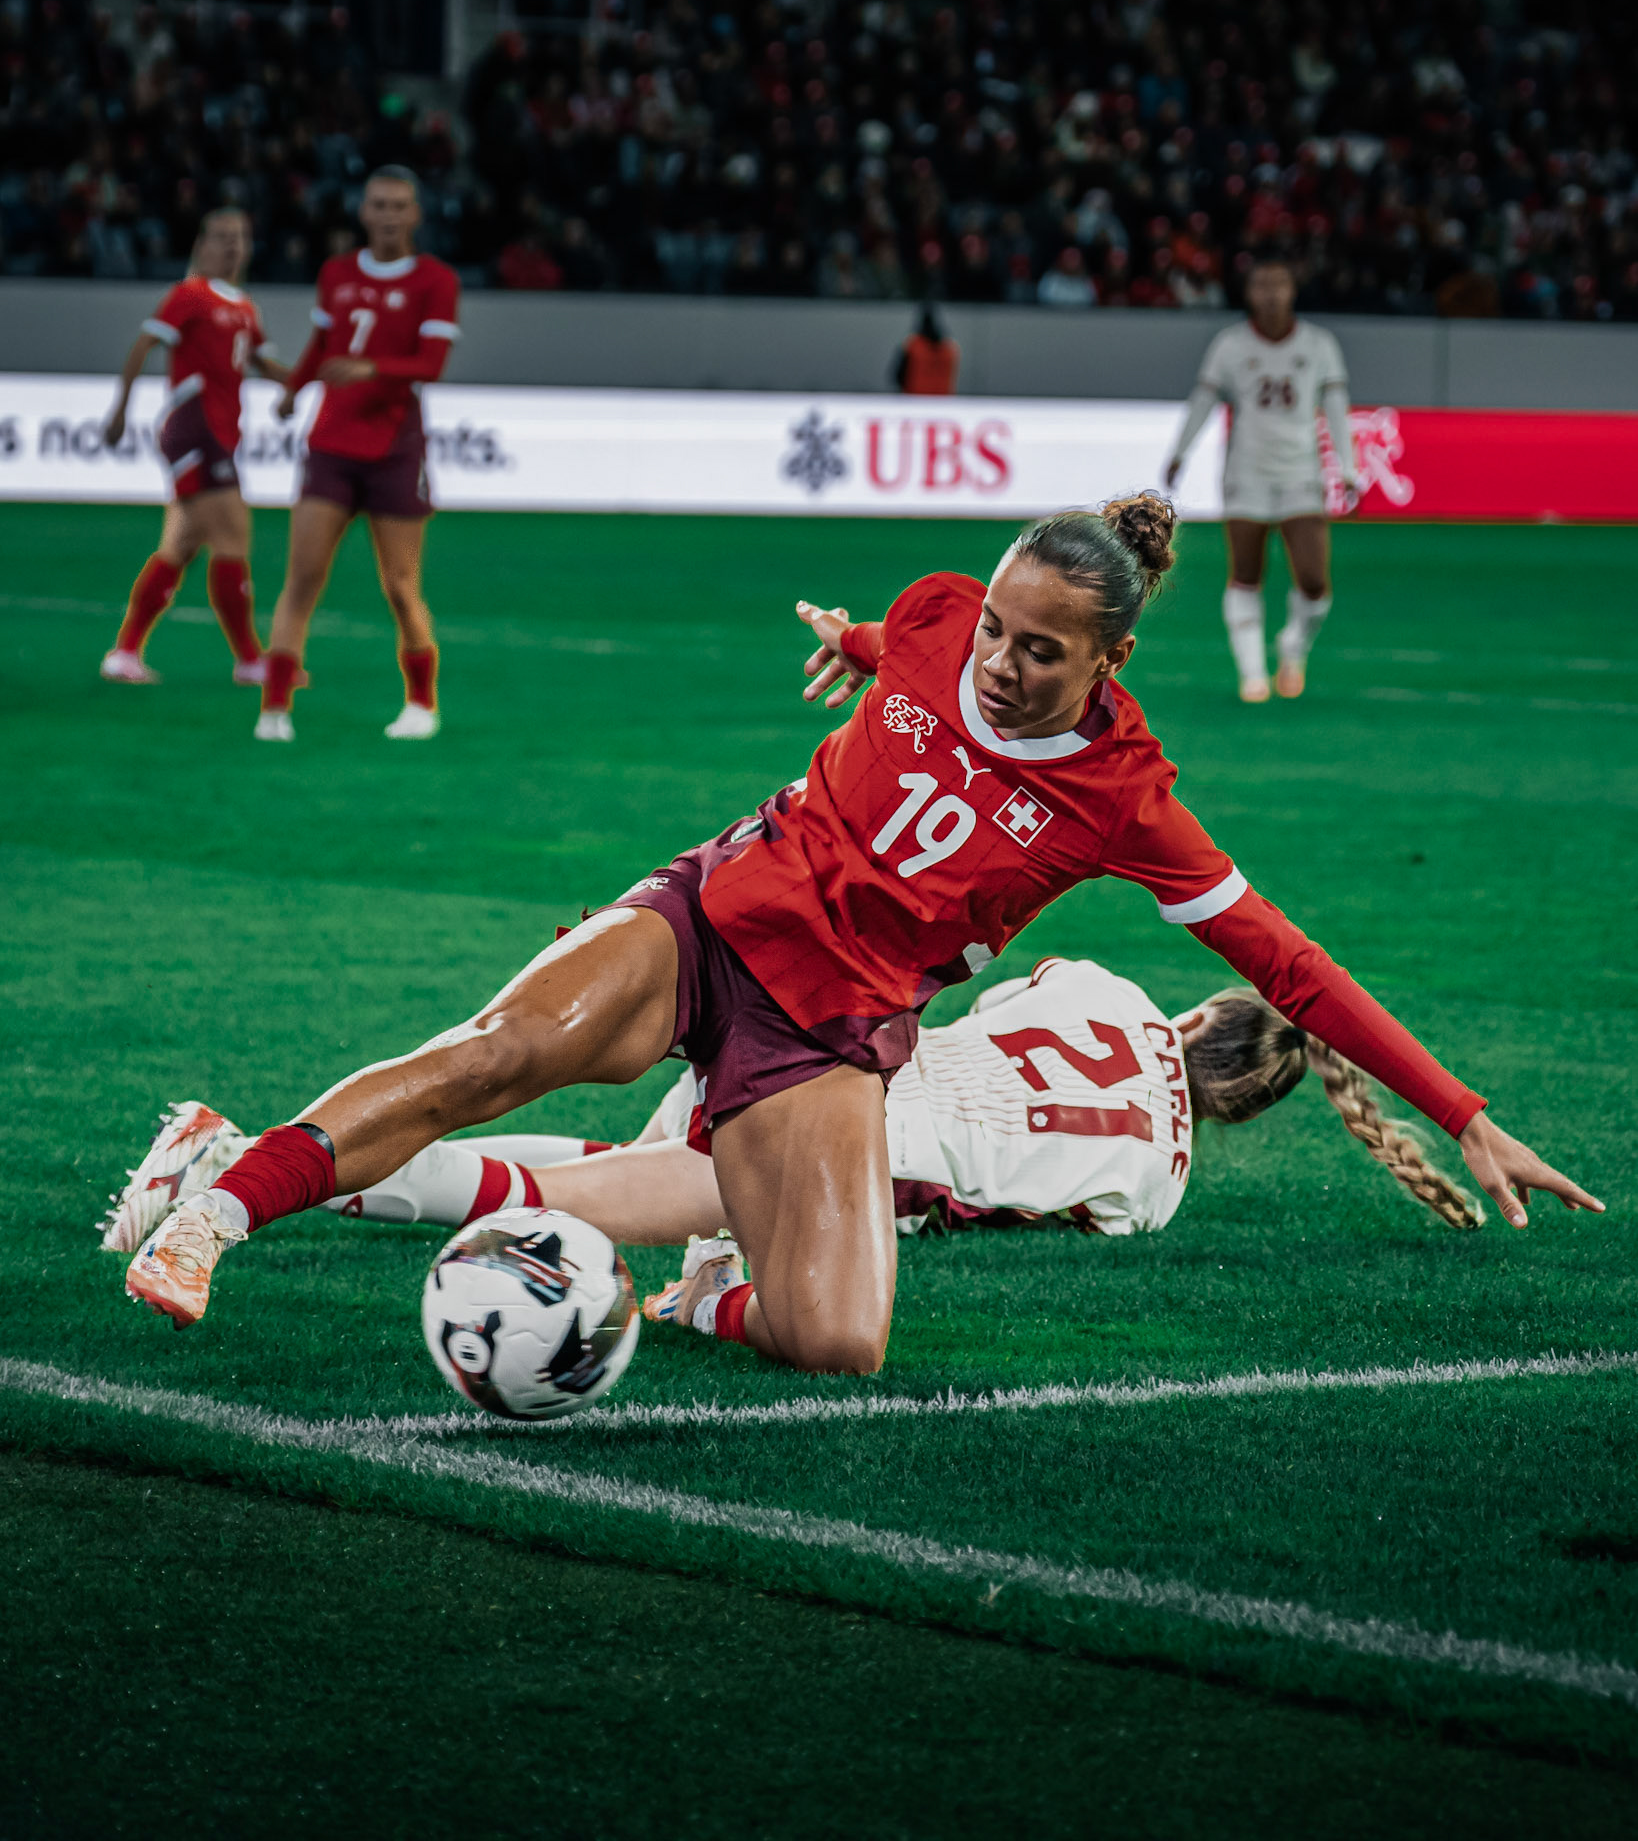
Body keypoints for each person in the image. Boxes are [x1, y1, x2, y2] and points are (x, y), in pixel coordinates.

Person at [123, 498, 1602, 1363]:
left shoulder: (1126, 805)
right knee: (499, 1053)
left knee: (840, 1340)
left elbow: (1289, 967)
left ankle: (695, 1291)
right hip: (721, 909)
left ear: (1112, 658)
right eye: (998, 632)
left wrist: (1458, 1113)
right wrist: (854, 645)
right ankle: (213, 1210)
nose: (1003, 662)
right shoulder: (940, 614)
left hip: (830, 1033)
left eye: (1043, 649)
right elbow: (905, 647)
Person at [101, 958, 1484, 1273]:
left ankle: (233, 1150)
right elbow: (973, 1208)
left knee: (596, 1166)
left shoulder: (1109, 987)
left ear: (1192, 1020)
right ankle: (227, 1163)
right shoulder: (1156, 1193)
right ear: (1236, 1109)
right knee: (584, 1206)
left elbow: (984, 998)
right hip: (839, 1153)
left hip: (811, 1048)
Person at [256, 167, 460, 743]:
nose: (390, 215)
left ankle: (422, 703)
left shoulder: (435, 281)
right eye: (380, 205)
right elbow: (322, 343)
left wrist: (371, 368)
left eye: (400, 205)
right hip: (330, 444)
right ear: (364, 212)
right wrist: (294, 391)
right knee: (303, 576)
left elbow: (431, 364)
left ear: (416, 214)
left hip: (395, 447)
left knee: (400, 585)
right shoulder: (337, 274)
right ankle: (274, 707)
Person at [99, 208, 287, 686]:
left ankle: (124, 654)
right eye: (222, 237)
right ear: (202, 245)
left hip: (220, 434)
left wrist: (320, 380)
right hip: (196, 430)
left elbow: (267, 365)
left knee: (180, 546)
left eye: (240, 237)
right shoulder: (191, 295)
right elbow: (145, 343)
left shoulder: (245, 306)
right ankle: (249, 660)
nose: (232, 246)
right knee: (232, 538)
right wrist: (120, 410)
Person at [1162, 256, 1356, 702]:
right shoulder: (1229, 345)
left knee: (1313, 580)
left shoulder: (1319, 344)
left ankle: (1294, 645)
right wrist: (1180, 451)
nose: (1271, 293)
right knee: (1246, 573)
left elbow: (1337, 409)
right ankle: (1252, 673)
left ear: (1292, 291)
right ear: (1249, 293)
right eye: (1262, 285)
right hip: (1246, 473)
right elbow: (1203, 399)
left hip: (1300, 472)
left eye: (1280, 284)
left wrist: (1348, 467)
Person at [891, 303, 960, 395]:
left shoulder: (913, 345)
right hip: (943, 401)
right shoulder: (950, 348)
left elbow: (898, 376)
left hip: (915, 399)